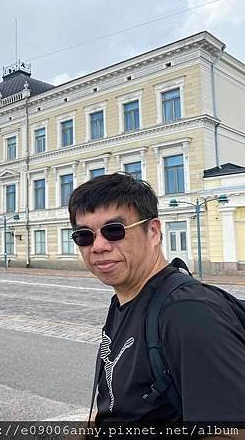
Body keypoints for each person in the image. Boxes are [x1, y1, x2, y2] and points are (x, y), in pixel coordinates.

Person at [68, 173, 245, 430]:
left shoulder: (188, 312)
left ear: (152, 232)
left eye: (114, 231)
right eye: (84, 236)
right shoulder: (125, 300)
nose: (98, 246)